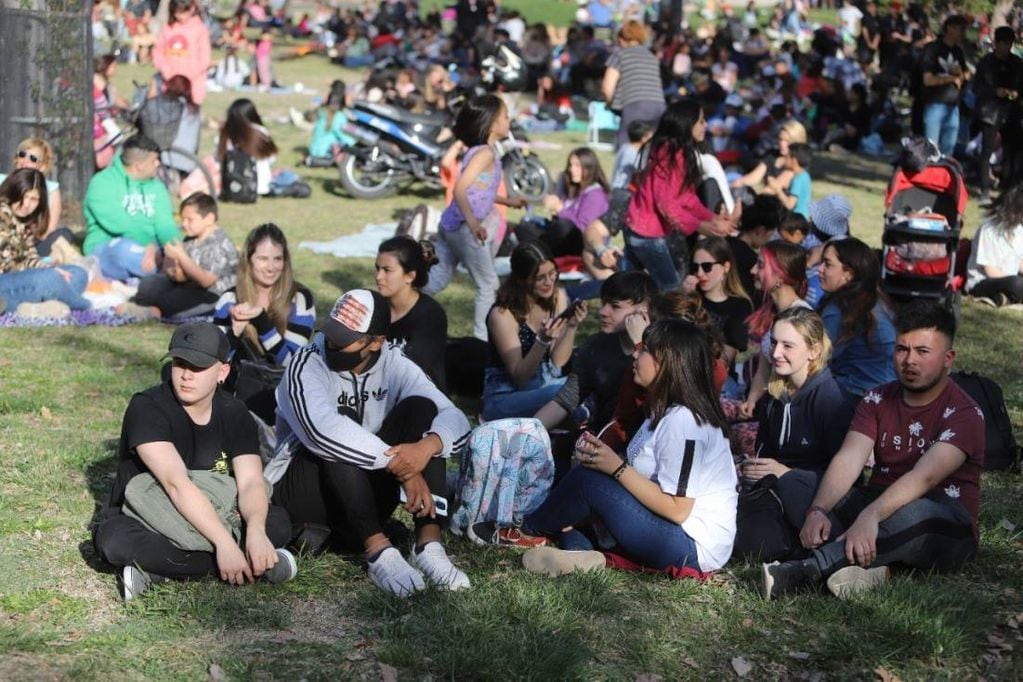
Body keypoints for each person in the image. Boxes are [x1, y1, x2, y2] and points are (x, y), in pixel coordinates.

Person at [762, 301, 984, 599]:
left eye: (923, 352)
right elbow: (849, 458)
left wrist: (871, 516)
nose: (909, 360)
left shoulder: (965, 412)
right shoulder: (878, 398)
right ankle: (873, 569)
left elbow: (924, 478)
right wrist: (818, 510)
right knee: (799, 484)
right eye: (902, 349)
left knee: (913, 515)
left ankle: (806, 572)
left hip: (942, 519)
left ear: (948, 358)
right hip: (878, 501)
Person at [268, 289, 473, 597]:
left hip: (360, 491)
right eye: (332, 333)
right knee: (342, 428)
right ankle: (379, 552)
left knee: (423, 410)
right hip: (301, 493)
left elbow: (454, 416)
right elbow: (322, 431)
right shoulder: (306, 362)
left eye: (345, 338)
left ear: (376, 342)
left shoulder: (393, 361)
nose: (332, 343)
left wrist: (426, 448)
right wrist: (405, 469)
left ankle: (429, 547)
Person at [506, 319, 738, 577]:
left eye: (644, 349)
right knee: (579, 508)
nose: (635, 354)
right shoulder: (662, 410)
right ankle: (582, 557)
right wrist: (603, 459)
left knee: (589, 482)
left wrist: (614, 468)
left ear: (668, 363)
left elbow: (678, 509)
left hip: (691, 547)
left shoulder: (685, 421)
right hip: (667, 529)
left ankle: (525, 531)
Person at [92, 323, 297, 602]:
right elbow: (175, 483)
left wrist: (258, 532)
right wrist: (224, 543)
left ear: (222, 372)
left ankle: (159, 573)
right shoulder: (147, 407)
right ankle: (250, 564)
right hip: (153, 515)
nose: (186, 376)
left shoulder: (234, 411)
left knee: (277, 523)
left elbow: (250, 481)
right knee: (113, 541)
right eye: (179, 364)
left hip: (217, 510)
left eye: (198, 367)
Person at [421, 95, 527, 341]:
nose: (508, 120)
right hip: (464, 229)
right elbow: (459, 189)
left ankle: (398, 306)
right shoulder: (486, 154)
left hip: (450, 225)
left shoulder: (479, 151)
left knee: (437, 279)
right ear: (491, 123)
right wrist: (474, 224)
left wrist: (508, 201)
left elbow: (478, 191)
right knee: (488, 285)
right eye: (504, 116)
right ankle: (482, 340)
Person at [623, 98, 735, 291]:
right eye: (700, 121)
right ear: (686, 123)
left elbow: (685, 197)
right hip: (647, 234)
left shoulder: (677, 151)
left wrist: (712, 218)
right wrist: (700, 226)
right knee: (670, 289)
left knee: (627, 288)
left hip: (641, 229)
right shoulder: (671, 154)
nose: (705, 126)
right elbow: (667, 205)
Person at [483, 241, 585, 421]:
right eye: (540, 278)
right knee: (566, 392)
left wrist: (571, 326)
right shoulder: (502, 315)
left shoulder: (557, 297)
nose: (549, 282)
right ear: (522, 280)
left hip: (545, 385)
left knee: (586, 382)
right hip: (506, 397)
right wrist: (542, 341)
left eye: (553, 273)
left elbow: (558, 362)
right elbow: (519, 377)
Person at [213, 223, 315, 366]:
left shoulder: (300, 299)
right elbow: (216, 365)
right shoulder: (229, 300)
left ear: (285, 262)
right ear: (248, 260)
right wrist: (234, 333)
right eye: (263, 259)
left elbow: (291, 364)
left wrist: (262, 322)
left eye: (278, 259)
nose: (271, 268)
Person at [83, 134, 180, 282]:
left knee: (187, 255)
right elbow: (122, 225)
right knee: (125, 251)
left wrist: (175, 250)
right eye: (154, 160)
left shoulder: (157, 187)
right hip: (110, 245)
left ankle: (155, 277)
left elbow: (165, 225)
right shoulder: (101, 183)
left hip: (152, 249)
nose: (158, 164)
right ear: (139, 165)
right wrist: (149, 246)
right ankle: (164, 276)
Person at [130, 193, 239, 319]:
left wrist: (180, 255)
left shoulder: (219, 243)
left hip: (213, 295)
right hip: (191, 286)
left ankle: (151, 312)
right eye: (182, 220)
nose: (184, 224)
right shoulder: (191, 238)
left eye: (190, 220)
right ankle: (148, 306)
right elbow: (183, 274)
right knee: (149, 284)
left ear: (209, 218)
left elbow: (206, 280)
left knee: (169, 303)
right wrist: (174, 271)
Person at [0, 170, 89, 315]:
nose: (26, 204)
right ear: (12, 192)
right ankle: (85, 305)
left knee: (77, 273)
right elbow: (8, 265)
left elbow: (30, 257)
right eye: (23, 196)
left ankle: (37, 306)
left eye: (33, 199)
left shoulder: (25, 220)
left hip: (20, 279)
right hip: (4, 280)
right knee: (49, 279)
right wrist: (47, 273)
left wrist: (46, 268)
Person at [818, 237, 897, 398]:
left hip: (856, 396)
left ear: (849, 273)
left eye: (827, 264)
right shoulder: (876, 300)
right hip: (891, 394)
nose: (820, 269)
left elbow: (814, 361)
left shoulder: (839, 309)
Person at [740, 241, 811, 418]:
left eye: (761, 265)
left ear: (780, 275)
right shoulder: (773, 312)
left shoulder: (799, 319)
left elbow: (803, 383)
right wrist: (751, 400)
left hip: (790, 415)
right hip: (769, 408)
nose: (753, 271)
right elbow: (763, 371)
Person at [375, 236, 448, 392]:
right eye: (378, 268)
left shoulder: (430, 315)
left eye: (387, 270)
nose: (378, 276)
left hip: (420, 398)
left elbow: (412, 371)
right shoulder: (374, 308)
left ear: (410, 276)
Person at [682, 237, 754, 394]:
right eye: (695, 267)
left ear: (726, 267)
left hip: (716, 378)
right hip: (682, 371)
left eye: (707, 267)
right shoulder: (690, 298)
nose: (700, 273)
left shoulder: (740, 306)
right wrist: (684, 301)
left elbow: (724, 361)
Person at [517, 147, 610, 257]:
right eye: (570, 165)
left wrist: (560, 209)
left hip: (582, 243)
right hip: (563, 237)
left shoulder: (595, 195)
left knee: (562, 226)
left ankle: (540, 253)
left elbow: (582, 227)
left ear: (589, 168)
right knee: (525, 228)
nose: (572, 169)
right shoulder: (574, 187)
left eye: (577, 166)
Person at [973, 26, 1023, 203]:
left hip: (1012, 112)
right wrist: (995, 91)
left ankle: (1008, 188)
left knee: (1012, 151)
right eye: (1003, 44)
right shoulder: (986, 63)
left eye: (1009, 44)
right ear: (997, 43)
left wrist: (1016, 93)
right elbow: (977, 88)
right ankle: (984, 189)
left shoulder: (1017, 64)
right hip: (990, 111)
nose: (1006, 48)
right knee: (986, 151)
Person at [601, 20, 666, 149]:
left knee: (627, 149)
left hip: (635, 104)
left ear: (623, 38)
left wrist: (609, 104)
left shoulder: (620, 55)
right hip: (659, 105)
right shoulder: (652, 57)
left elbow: (607, 87)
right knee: (652, 149)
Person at [0, 138, 65, 247]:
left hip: (35, 241)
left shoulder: (51, 189)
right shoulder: (2, 180)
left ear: (43, 166)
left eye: (33, 158)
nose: (25, 160)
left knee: (63, 234)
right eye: (22, 154)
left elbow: (49, 230)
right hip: (5, 238)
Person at [920, 14, 969, 157]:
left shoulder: (958, 52)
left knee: (948, 149)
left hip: (953, 105)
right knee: (931, 149)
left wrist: (962, 75)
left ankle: (943, 176)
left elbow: (964, 73)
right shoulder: (932, 49)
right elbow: (927, 80)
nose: (963, 33)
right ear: (950, 29)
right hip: (935, 103)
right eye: (961, 29)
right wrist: (951, 78)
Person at [966, 184, 1023, 306]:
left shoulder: (1019, 230)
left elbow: (1020, 262)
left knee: (1017, 284)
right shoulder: (989, 229)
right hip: (983, 282)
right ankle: (1008, 295)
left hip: (1009, 280)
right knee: (1017, 284)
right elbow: (990, 271)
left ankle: (1005, 298)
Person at [153, 0, 212, 105]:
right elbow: (158, 52)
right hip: (170, 80)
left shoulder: (200, 29)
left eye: (184, 12)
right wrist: (166, 71)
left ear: (192, 9)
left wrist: (188, 75)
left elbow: (205, 58)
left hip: (193, 82)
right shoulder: (167, 28)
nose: (180, 16)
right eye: (177, 12)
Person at [306, 80, 355, 166]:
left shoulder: (322, 112)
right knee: (345, 144)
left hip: (313, 150)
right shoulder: (340, 117)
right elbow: (346, 138)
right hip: (323, 152)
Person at [763, 143, 812, 218]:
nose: (784, 159)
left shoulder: (798, 179)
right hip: (802, 217)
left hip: (796, 219)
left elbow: (789, 204)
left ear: (794, 161)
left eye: (787, 157)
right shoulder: (805, 175)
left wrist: (778, 190)